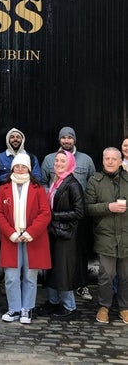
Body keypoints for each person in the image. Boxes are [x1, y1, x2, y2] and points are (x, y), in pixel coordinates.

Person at [0, 153, 51, 324]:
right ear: (12, 168)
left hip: (32, 238)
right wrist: (10, 232)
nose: (19, 169)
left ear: (28, 169)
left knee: (30, 276)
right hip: (11, 238)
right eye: (17, 166)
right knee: (11, 276)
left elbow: (45, 213)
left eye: (23, 166)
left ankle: (27, 308)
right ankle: (14, 309)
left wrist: (30, 232)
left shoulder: (37, 188)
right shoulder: (3, 188)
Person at [41, 126, 96, 302]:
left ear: (74, 140)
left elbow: (92, 182)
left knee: (79, 254)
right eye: (63, 137)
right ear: (59, 140)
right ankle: (57, 298)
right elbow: (43, 182)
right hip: (57, 218)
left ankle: (81, 286)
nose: (66, 140)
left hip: (77, 216)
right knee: (58, 259)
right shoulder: (49, 159)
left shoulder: (86, 160)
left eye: (69, 137)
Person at [39, 150, 84, 320]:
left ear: (70, 163)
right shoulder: (56, 181)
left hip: (66, 235)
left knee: (63, 271)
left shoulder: (72, 183)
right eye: (56, 161)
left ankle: (70, 308)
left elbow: (79, 212)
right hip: (54, 232)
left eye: (62, 161)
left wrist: (54, 216)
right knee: (52, 268)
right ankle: (53, 301)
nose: (58, 164)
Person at [85, 147, 128, 325]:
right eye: (107, 158)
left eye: (113, 159)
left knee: (125, 275)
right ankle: (104, 306)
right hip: (106, 235)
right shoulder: (95, 180)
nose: (110, 162)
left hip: (126, 234)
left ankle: (124, 308)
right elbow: (88, 207)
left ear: (120, 161)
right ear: (102, 161)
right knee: (106, 275)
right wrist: (107, 207)